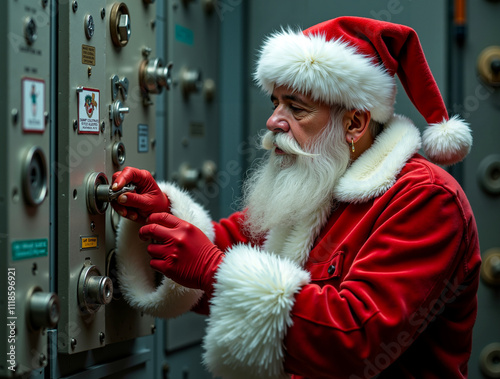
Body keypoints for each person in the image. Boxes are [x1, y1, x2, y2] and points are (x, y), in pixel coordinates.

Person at [112, 16, 481, 379]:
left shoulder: (427, 199)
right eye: (276, 103)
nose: (274, 121)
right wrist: (160, 216)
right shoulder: (321, 177)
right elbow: (230, 243)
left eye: (296, 107)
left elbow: (357, 342)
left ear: (355, 123)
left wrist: (213, 271)